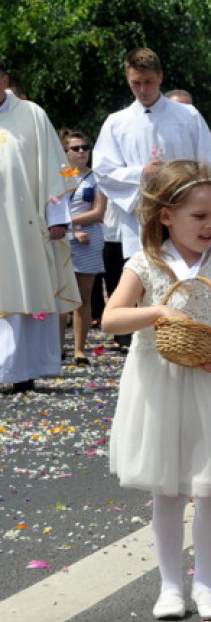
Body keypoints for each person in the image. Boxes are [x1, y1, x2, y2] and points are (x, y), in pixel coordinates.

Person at [102, 160, 211, 621]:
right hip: (158, 384)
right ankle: (170, 585)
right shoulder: (145, 263)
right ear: (167, 216)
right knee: (169, 488)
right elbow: (111, 318)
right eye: (199, 216)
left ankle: (207, 583)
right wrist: (158, 313)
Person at [93, 48, 211, 260]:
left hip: (186, 207)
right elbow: (103, 171)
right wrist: (141, 173)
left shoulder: (188, 116)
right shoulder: (117, 122)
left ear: (160, 77)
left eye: (149, 82)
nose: (143, 90)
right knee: (147, 271)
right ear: (128, 79)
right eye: (136, 83)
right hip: (142, 213)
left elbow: (209, 162)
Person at [0, 58, 79, 393]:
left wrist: (57, 217)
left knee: (26, 289)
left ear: (4, 78)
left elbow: (55, 168)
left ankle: (23, 369)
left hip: (24, 225)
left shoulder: (32, 115)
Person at [59, 129, 108, 366]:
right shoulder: (59, 177)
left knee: (82, 297)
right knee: (60, 296)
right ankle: (58, 347)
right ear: (65, 152)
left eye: (85, 147)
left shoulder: (97, 178)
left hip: (88, 240)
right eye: (76, 148)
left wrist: (70, 223)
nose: (82, 152)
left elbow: (98, 212)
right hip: (61, 239)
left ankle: (80, 349)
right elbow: (50, 209)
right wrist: (71, 228)